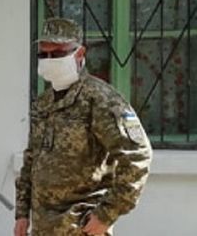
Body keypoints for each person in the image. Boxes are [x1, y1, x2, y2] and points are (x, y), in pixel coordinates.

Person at [14, 18, 153, 236]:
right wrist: (22, 214)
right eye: (43, 54)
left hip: (82, 228)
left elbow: (137, 155)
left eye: (57, 53)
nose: (49, 60)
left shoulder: (100, 99)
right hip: (43, 228)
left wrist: (107, 214)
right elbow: (31, 159)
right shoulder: (43, 104)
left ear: (79, 54)